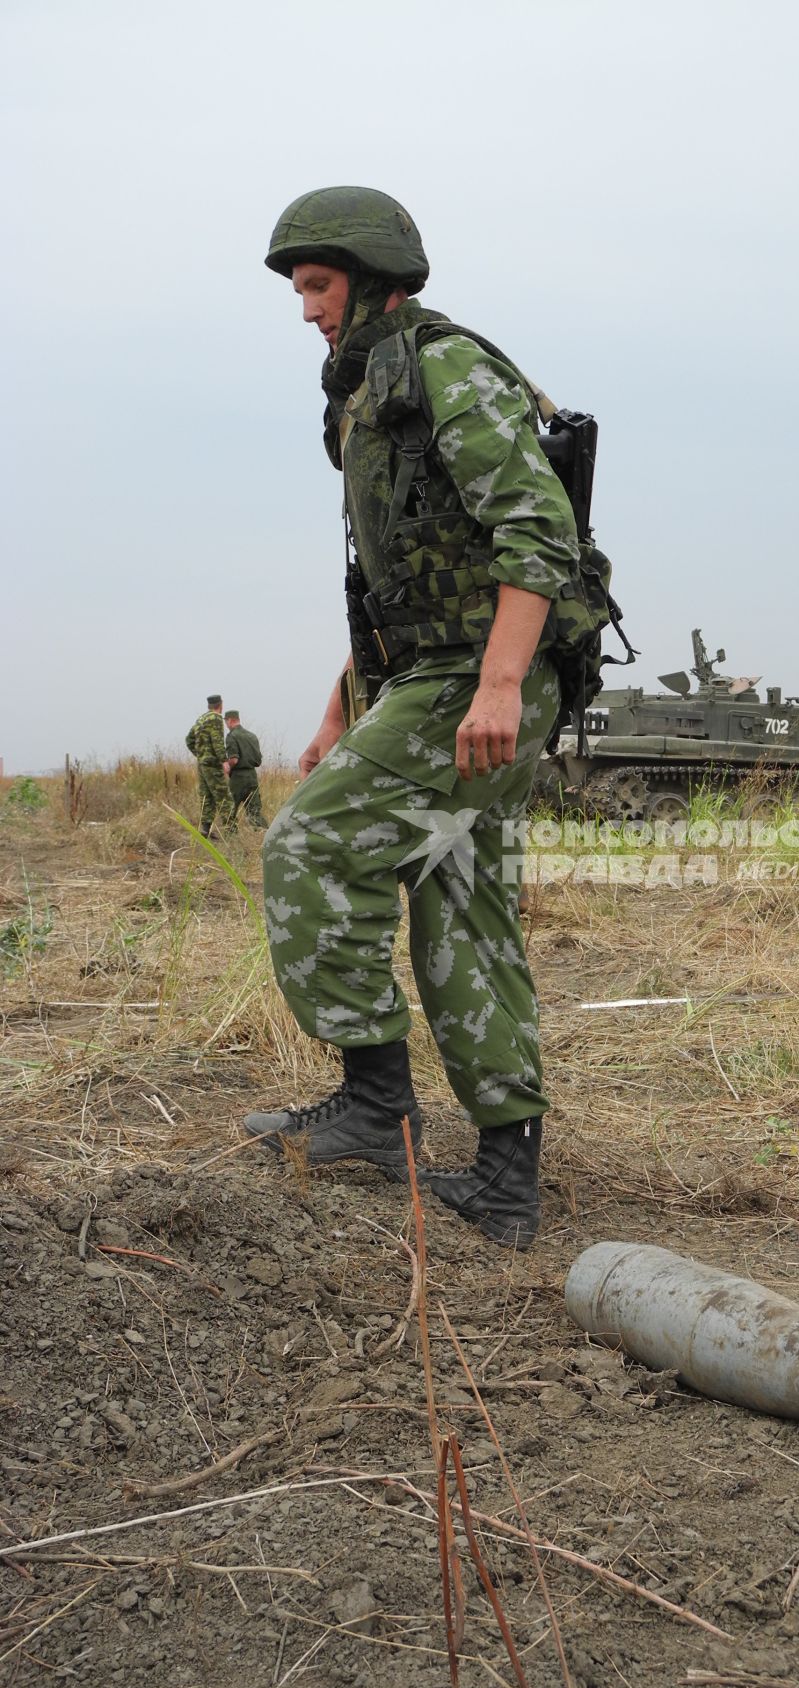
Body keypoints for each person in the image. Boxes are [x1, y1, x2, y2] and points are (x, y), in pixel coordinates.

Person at [246, 185, 582, 1250]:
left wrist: (494, 686)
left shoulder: (443, 367)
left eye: (317, 285)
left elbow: (538, 530)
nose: (306, 309)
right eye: (299, 290)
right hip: (435, 671)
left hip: (483, 677)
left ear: (375, 276)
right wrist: (342, 709)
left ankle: (375, 1102)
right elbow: (398, 584)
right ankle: (504, 1179)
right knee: (461, 902)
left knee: (309, 846)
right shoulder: (370, 394)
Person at [185, 694, 233, 836]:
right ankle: (231, 832)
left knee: (207, 797)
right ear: (221, 704)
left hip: (202, 764)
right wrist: (224, 760)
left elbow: (189, 740)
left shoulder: (201, 719)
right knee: (224, 797)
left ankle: (205, 830)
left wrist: (200, 755)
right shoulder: (216, 718)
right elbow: (217, 741)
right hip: (212, 764)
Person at [223, 710, 266, 827]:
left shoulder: (231, 736)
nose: (226, 724)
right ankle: (263, 834)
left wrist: (227, 766)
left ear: (230, 720)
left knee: (230, 809)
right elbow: (258, 760)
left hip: (238, 777)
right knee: (254, 811)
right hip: (252, 776)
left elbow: (234, 759)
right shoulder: (252, 736)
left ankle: (230, 837)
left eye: (226, 721)